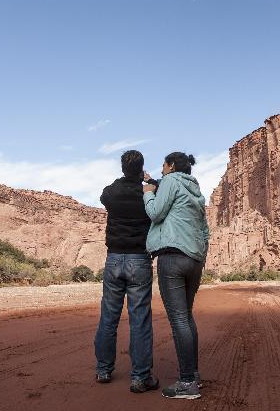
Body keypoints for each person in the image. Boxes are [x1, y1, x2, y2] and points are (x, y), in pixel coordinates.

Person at [143, 151, 209, 400]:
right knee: (187, 319)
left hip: (172, 257)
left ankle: (187, 382)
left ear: (170, 166)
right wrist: (201, 258)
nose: (161, 169)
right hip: (194, 260)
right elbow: (205, 232)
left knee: (179, 320)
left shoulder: (170, 181)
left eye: (163, 165)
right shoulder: (196, 192)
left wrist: (148, 194)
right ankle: (193, 375)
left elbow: (156, 213)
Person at [94, 150, 159, 393]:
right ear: (142, 168)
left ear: (122, 168)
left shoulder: (112, 192)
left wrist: (128, 177)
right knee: (139, 319)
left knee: (108, 317)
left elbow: (104, 194)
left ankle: (103, 369)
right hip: (139, 259)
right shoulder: (146, 192)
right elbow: (157, 190)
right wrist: (146, 180)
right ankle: (140, 377)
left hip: (113, 260)